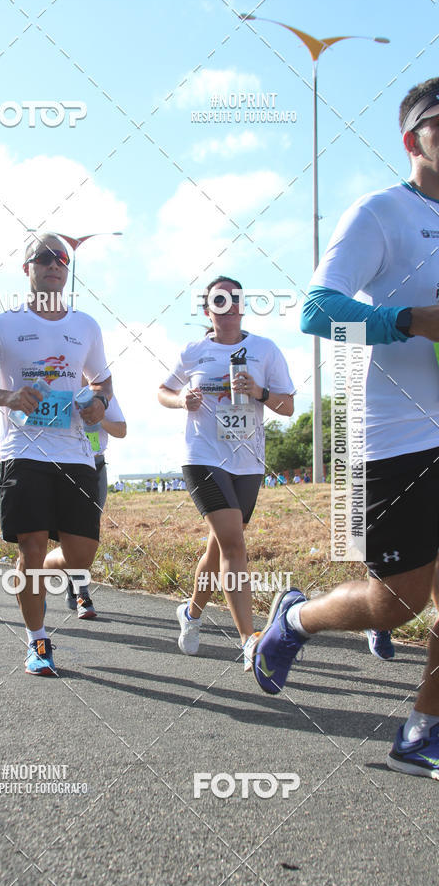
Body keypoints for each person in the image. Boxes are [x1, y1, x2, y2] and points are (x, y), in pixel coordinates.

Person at [252, 78, 439, 779]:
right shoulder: (381, 213)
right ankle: (295, 619)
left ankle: (423, 730)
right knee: (396, 605)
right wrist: (409, 320)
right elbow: (316, 310)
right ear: (411, 139)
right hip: (400, 438)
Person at [0, 233, 112, 676]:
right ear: (27, 268)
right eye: (43, 257)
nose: (54, 264)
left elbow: (102, 382)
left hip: (76, 453)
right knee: (32, 543)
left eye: (61, 258)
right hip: (23, 451)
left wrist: (98, 402)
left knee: (81, 555)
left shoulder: (86, 326)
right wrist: (6, 396)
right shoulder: (1, 326)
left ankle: (39, 569)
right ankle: (37, 641)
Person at [158, 276, 294, 665]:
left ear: (242, 304)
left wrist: (260, 393)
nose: (229, 305)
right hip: (202, 455)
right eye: (219, 300)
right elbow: (162, 390)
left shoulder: (265, 350)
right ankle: (249, 639)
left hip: (247, 460)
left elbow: (288, 407)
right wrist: (181, 397)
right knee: (234, 543)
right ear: (207, 310)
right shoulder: (193, 350)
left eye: (235, 298)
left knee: (219, 544)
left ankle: (192, 612)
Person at [61, 387, 126, 612]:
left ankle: (79, 587)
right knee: (68, 530)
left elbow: (122, 430)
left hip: (96, 465)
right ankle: (79, 588)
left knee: (89, 532)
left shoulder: (106, 396)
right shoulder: (63, 386)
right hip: (68, 463)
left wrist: (101, 419)